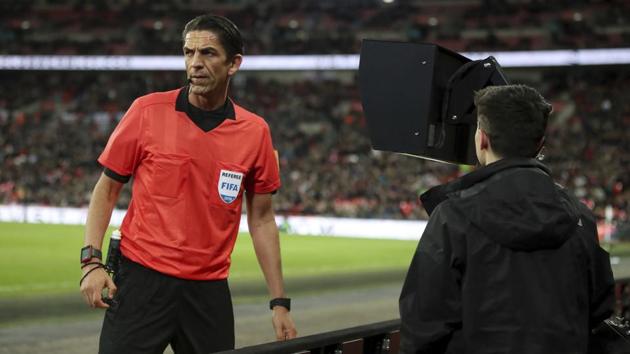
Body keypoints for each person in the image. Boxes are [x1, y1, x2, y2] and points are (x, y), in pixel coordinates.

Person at [79, 14, 297, 353]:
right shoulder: (146, 111)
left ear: (233, 64)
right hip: (141, 282)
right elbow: (106, 189)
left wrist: (279, 302)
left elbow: (262, 218)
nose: (194, 63)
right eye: (188, 53)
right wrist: (90, 262)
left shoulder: (255, 133)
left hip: (208, 292)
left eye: (207, 53)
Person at [398, 85, 615, 353]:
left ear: (483, 139)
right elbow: (600, 308)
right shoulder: (580, 216)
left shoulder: (453, 216)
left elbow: (422, 324)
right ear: (540, 144)